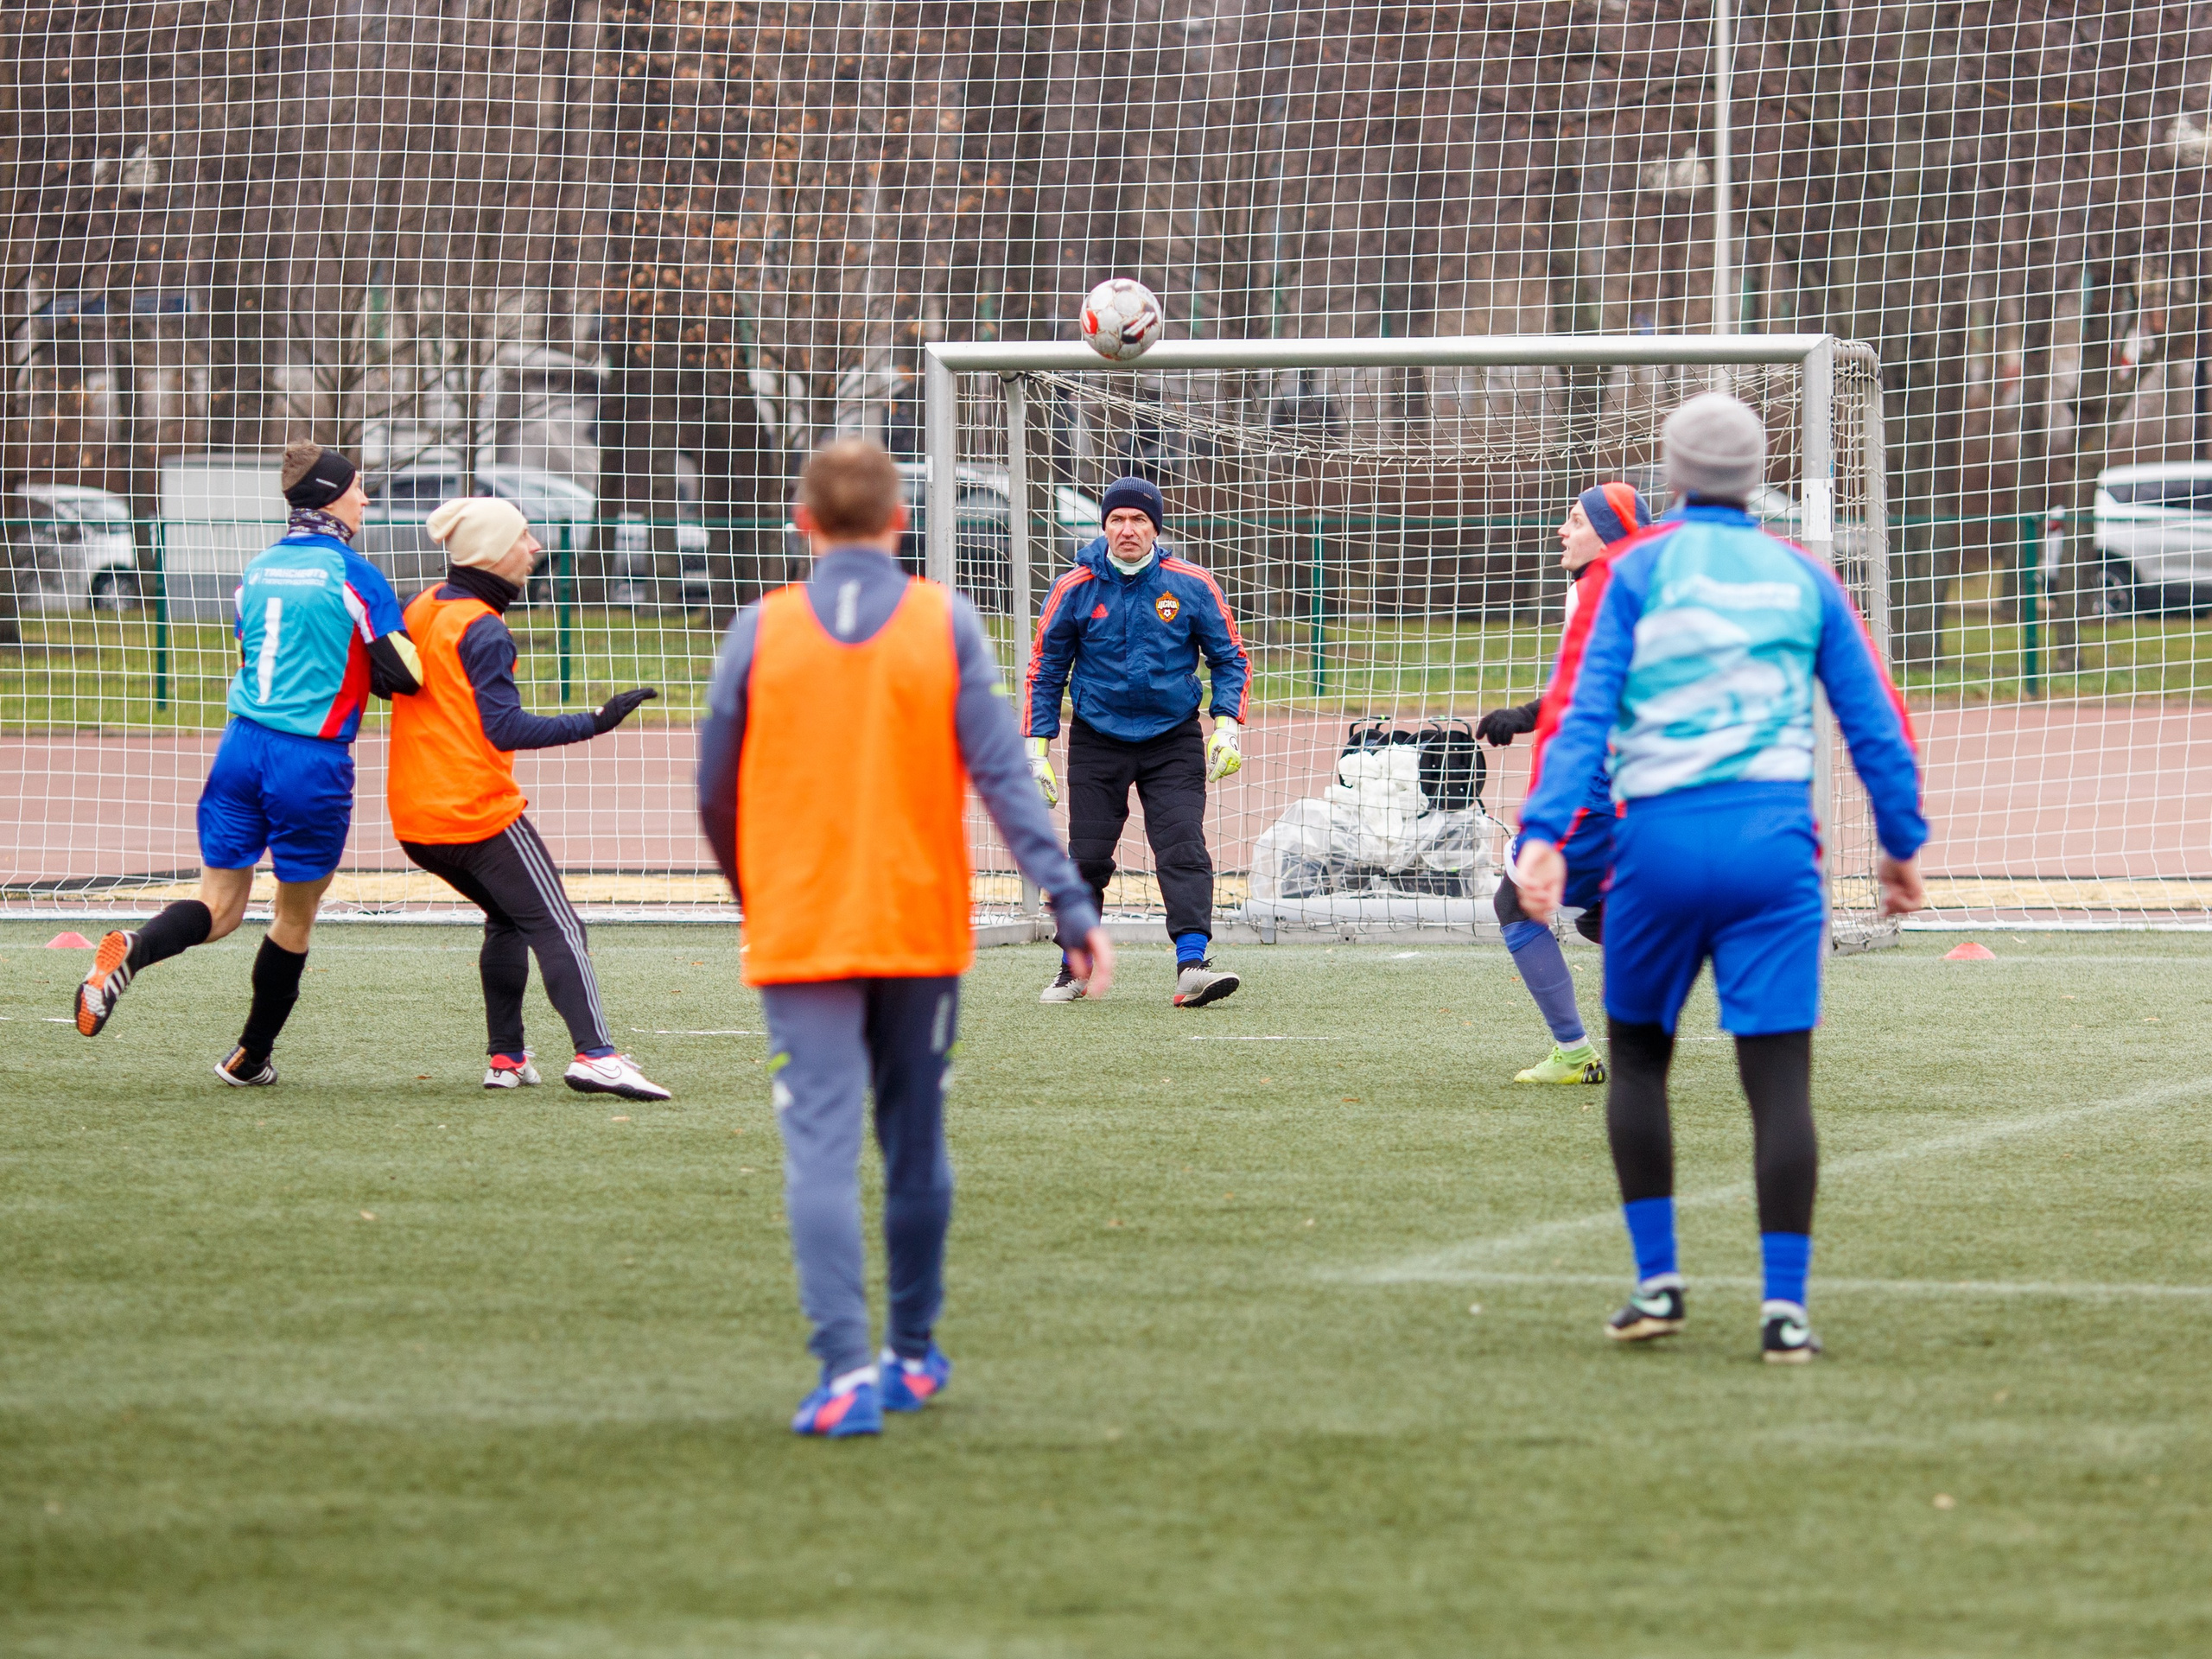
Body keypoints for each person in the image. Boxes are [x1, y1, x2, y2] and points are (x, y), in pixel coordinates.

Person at [697, 436, 1110, 1438]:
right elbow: (1004, 773)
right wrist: (1068, 899)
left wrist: (755, 889)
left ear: (802, 524)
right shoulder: (942, 620)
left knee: (821, 1152)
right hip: (916, 924)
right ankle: (913, 1356)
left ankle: (843, 1373)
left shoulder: (761, 630)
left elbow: (715, 789)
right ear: (899, 523)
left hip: (800, 923)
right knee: (914, 1145)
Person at [1515, 392, 1928, 1364]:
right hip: (1774, 856)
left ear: (1671, 476)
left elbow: (1578, 713)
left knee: (1643, 1061)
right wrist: (1899, 844)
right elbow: (1873, 717)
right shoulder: (1803, 577)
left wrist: (1542, 835)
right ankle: (1784, 1312)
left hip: (1653, 850)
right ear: (1755, 476)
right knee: (1778, 1080)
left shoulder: (1630, 572)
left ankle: (1656, 1284)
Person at [74, 440, 422, 1084]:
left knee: (220, 907)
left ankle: (136, 949)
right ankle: (250, 1057)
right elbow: (406, 675)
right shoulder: (356, 574)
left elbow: (257, 644)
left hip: (239, 747)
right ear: (331, 496)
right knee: (294, 916)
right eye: (357, 487)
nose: (366, 496)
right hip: (308, 761)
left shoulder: (256, 571)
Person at [386, 496, 667, 1101]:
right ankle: (597, 1054)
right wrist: (597, 719)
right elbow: (505, 729)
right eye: (523, 537)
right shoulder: (483, 628)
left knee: (509, 920)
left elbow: (400, 686)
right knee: (559, 924)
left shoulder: (427, 606)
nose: (535, 547)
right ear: (492, 552)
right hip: (475, 812)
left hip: (416, 817)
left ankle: (507, 1058)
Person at [1023, 475, 1249, 1007]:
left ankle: (1192, 965)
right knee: (1088, 857)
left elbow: (1230, 657)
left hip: (1172, 738)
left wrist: (1226, 726)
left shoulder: (1191, 584)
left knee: (1183, 847)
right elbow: (1044, 669)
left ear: (1156, 527)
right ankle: (1073, 967)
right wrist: (1037, 752)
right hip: (1097, 739)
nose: (1128, 529)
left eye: (1139, 520)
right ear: (1103, 526)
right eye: (1117, 519)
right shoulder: (1074, 586)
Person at [1479, 483, 1652, 1084]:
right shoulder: (1621, 585)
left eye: (1575, 520)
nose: (1562, 529)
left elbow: (1593, 687)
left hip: (1595, 790)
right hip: (1630, 789)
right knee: (1600, 917)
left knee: (1517, 903)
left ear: (1608, 534)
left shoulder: (1603, 589)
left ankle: (1575, 1053)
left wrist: (1525, 717)